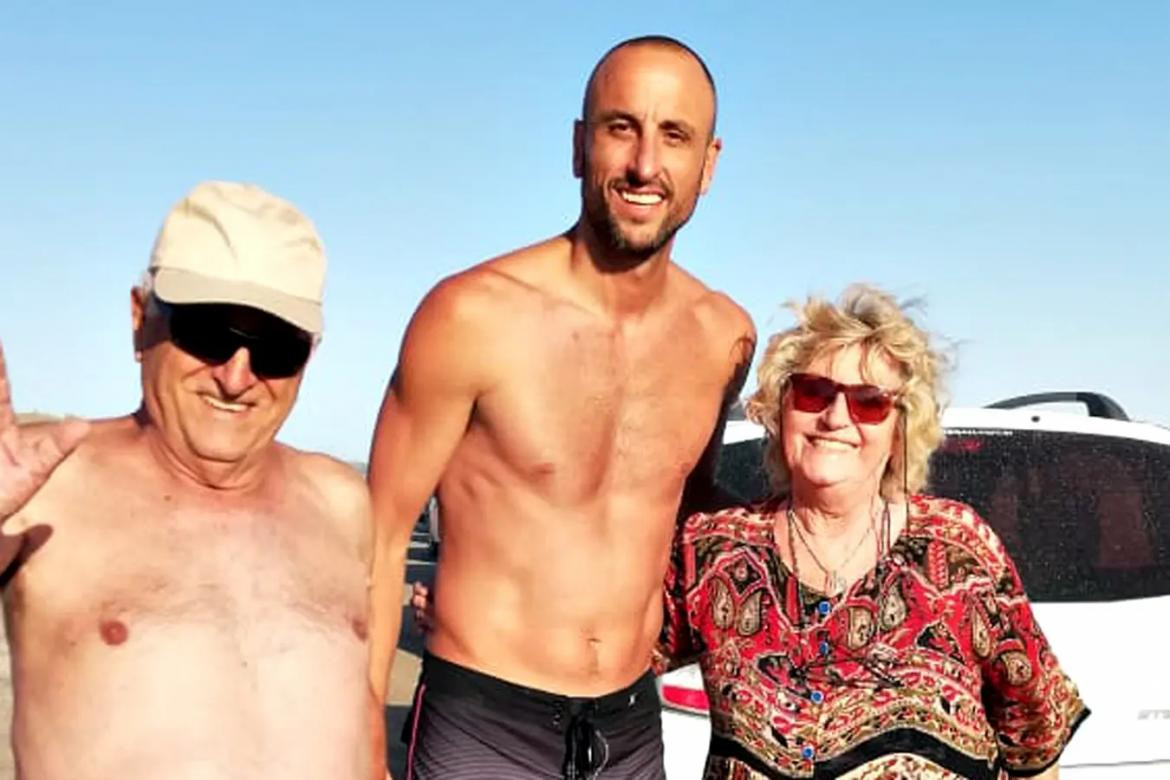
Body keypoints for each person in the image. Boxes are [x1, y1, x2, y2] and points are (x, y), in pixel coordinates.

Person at [367, 35, 755, 780]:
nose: (645, 164)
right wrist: (361, 748)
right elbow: (379, 538)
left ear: (708, 165)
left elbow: (691, 500)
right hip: (484, 722)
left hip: (631, 726)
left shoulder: (724, 337)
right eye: (621, 128)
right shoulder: (471, 315)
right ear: (580, 146)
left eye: (674, 135)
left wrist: (826, 535)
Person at [0, 181, 377, 780]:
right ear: (138, 318)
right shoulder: (45, 486)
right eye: (207, 332)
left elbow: (358, 718)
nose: (236, 376)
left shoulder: (341, 503)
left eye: (276, 347)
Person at [659, 285, 1087, 779]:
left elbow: (1033, 740)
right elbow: (607, 658)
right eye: (813, 391)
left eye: (869, 402)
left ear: (900, 428)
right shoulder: (715, 548)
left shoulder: (958, 547)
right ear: (782, 408)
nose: (835, 417)